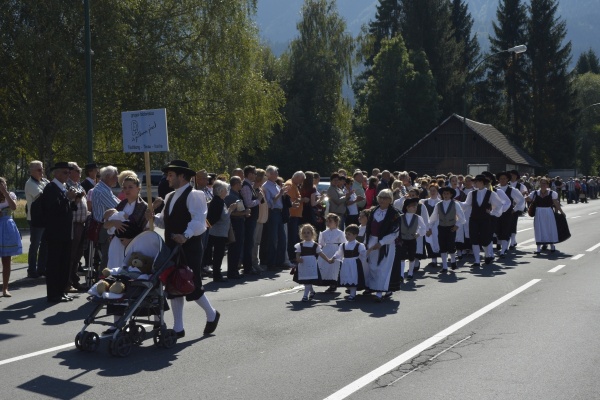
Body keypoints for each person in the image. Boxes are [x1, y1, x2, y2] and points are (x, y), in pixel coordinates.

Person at [147, 160, 219, 338]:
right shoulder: (170, 196)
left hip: (189, 245)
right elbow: (165, 221)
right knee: (173, 284)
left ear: (182, 176)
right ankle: (178, 327)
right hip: (172, 245)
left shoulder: (195, 195)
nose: (167, 178)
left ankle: (211, 313)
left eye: (171, 175)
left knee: (190, 283)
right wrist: (153, 217)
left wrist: (185, 235)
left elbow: (199, 220)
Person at [42, 162, 78, 303]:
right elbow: (52, 209)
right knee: (54, 264)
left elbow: (67, 209)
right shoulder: (50, 188)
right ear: (56, 173)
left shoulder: (64, 187)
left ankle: (62, 291)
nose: (67, 175)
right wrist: (67, 198)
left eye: (69, 173)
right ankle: (53, 294)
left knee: (64, 262)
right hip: (55, 232)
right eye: (65, 172)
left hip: (65, 231)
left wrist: (74, 201)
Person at [103, 173, 151, 268]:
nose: (127, 190)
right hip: (117, 245)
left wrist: (130, 240)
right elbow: (105, 225)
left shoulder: (144, 207)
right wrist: (114, 223)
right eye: (124, 188)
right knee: (114, 271)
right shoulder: (121, 205)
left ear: (138, 189)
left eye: (130, 187)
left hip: (134, 246)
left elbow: (148, 230)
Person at [461, 174, 504, 268]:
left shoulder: (491, 193)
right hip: (474, 219)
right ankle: (477, 260)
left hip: (485, 219)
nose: (475, 183)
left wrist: (492, 212)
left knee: (485, 239)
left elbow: (499, 205)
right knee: (474, 240)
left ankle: (488, 255)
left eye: (476, 181)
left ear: (482, 182)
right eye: (475, 181)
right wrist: (457, 204)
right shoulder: (471, 193)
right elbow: (466, 205)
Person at [365, 189, 400, 302]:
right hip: (372, 241)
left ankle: (379, 292)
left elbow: (394, 232)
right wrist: (368, 243)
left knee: (382, 268)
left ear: (390, 200)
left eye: (385, 198)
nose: (382, 200)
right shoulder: (374, 211)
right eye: (380, 197)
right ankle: (375, 287)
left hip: (386, 245)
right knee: (372, 266)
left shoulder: (394, 214)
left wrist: (382, 242)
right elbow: (369, 228)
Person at [428, 187, 466, 273]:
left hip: (451, 227)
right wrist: (429, 227)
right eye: (444, 194)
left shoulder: (455, 204)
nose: (445, 195)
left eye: (447, 194)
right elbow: (433, 217)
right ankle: (444, 266)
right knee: (442, 246)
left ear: (451, 195)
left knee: (451, 245)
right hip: (441, 227)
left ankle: (453, 261)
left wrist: (457, 225)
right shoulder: (438, 204)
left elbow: (462, 218)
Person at [206, 180, 238, 282]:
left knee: (218, 254)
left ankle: (217, 274)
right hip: (219, 233)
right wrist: (231, 209)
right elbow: (223, 217)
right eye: (225, 190)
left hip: (216, 231)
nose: (227, 191)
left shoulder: (217, 200)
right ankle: (217, 275)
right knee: (218, 254)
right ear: (220, 191)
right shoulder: (218, 201)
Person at [293, 224, 334, 302]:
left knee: (308, 280)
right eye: (304, 233)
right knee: (306, 280)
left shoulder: (315, 245)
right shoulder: (300, 245)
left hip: (312, 265)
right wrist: (298, 258)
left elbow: (321, 254)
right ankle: (312, 291)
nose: (306, 234)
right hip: (303, 265)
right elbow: (297, 253)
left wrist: (328, 260)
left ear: (312, 234)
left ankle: (305, 296)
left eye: (308, 232)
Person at [66, 162, 89, 292]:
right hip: (72, 225)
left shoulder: (78, 185)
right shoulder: (67, 185)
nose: (80, 173)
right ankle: (67, 283)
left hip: (81, 224)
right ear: (70, 172)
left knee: (77, 255)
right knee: (71, 255)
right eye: (78, 171)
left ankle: (74, 281)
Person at [24, 160, 49, 278]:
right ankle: (31, 269)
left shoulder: (43, 181)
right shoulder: (30, 183)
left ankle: (42, 268)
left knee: (44, 244)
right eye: (39, 169)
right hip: (35, 218)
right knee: (35, 245)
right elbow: (43, 196)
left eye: (42, 168)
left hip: (44, 217)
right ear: (32, 171)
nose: (41, 171)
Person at [92, 166, 120, 269]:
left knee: (110, 256)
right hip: (104, 228)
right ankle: (103, 280)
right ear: (108, 177)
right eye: (115, 177)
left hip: (106, 226)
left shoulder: (105, 189)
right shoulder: (102, 190)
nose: (117, 179)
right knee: (108, 257)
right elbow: (118, 206)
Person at [528, 178, 565, 255]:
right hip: (538, 212)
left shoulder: (552, 193)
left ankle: (552, 246)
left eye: (545, 183)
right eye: (541, 183)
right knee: (539, 228)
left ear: (548, 185)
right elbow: (527, 199)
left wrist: (561, 212)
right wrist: (522, 196)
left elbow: (556, 204)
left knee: (550, 228)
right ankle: (538, 248)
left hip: (548, 212)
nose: (543, 185)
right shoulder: (534, 193)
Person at [263, 165, 288, 271]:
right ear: (270, 174)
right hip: (273, 212)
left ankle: (280, 261)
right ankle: (271, 263)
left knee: (282, 238)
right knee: (273, 239)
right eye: (276, 172)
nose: (277, 174)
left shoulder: (275, 185)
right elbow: (269, 203)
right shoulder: (266, 186)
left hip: (279, 212)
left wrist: (283, 194)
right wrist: (280, 193)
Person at [225, 176, 250, 279]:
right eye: (240, 183)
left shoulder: (236, 194)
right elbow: (231, 213)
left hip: (239, 223)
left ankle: (234, 270)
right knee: (234, 248)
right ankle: (232, 271)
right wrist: (244, 212)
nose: (241, 185)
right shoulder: (231, 196)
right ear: (235, 184)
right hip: (235, 224)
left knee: (237, 248)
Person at [240, 165, 264, 276]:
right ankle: (247, 267)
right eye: (254, 173)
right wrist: (258, 199)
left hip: (252, 218)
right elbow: (248, 203)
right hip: (248, 219)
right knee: (249, 243)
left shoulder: (250, 186)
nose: (255, 175)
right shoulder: (246, 186)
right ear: (249, 174)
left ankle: (248, 266)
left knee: (250, 242)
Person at [495, 171, 525, 257]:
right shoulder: (495, 189)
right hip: (497, 214)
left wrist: (514, 209)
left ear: (508, 179)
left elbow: (521, 200)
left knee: (506, 231)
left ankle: (503, 250)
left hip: (507, 214)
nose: (502, 180)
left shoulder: (512, 190)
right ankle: (502, 247)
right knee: (498, 231)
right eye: (501, 179)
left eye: (504, 178)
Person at [0, 177, 22, 297]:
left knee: (7, 259)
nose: (2, 186)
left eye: (3, 184)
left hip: (8, 227)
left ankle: (5, 288)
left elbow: (13, 207)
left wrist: (5, 193)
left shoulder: (11, 195)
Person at [335, 224, 367, 301]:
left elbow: (363, 254)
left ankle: (352, 294)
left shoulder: (359, 245)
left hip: (354, 264)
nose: (346, 236)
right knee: (347, 276)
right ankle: (350, 290)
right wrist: (333, 258)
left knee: (353, 277)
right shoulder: (343, 245)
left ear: (355, 235)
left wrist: (360, 262)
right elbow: (339, 253)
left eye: (349, 234)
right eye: (346, 234)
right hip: (346, 263)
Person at [318, 214, 345, 293]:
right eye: (327, 221)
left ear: (336, 222)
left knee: (334, 267)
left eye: (330, 221)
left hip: (335, 250)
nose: (328, 223)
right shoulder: (323, 233)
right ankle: (324, 281)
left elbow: (343, 243)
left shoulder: (340, 233)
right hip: (326, 250)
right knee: (324, 265)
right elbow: (321, 243)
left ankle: (333, 284)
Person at [285, 171, 305, 263]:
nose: (302, 182)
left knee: (294, 236)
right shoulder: (290, 185)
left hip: (296, 215)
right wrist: (301, 200)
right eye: (301, 179)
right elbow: (289, 200)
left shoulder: (295, 185)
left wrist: (300, 200)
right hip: (292, 215)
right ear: (297, 177)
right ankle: (291, 256)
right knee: (292, 237)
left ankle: (293, 255)